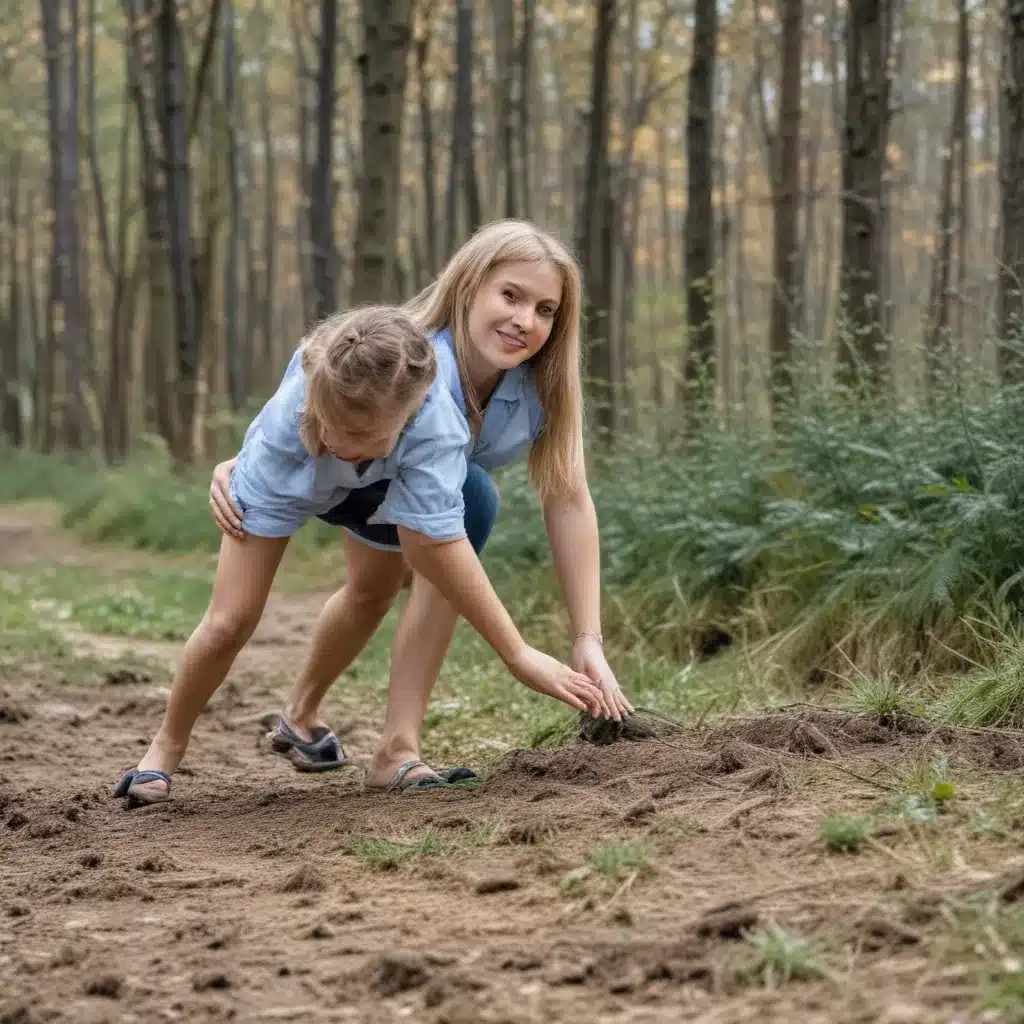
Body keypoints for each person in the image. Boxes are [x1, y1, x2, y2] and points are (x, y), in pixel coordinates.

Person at [113, 304, 603, 807]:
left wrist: (517, 653)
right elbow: (321, 423)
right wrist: (294, 445)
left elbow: (435, 545)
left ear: (411, 415)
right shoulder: (292, 424)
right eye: (335, 426)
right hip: (296, 475)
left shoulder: (434, 422)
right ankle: (164, 747)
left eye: (366, 436)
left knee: (380, 587)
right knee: (229, 620)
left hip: (383, 486)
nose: (343, 444)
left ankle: (354, 736)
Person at [208, 220, 633, 793]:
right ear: (468, 286)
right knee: (470, 501)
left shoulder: (543, 386)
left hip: (423, 495)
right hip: (337, 463)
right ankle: (389, 745)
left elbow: (569, 499)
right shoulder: (408, 355)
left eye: (546, 309)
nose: (525, 320)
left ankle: (328, 725)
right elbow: (310, 377)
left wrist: (587, 640)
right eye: (510, 295)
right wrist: (247, 462)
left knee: (375, 588)